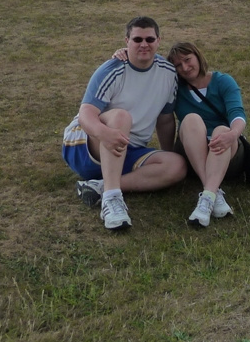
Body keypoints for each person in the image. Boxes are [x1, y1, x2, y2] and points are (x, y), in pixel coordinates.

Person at [61, 16, 187, 231]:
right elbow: (86, 114)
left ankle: (98, 186)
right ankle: (111, 200)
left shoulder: (168, 73)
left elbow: (165, 119)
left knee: (177, 165)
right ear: (126, 40)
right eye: (137, 39)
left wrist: (166, 154)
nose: (144, 44)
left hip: (129, 147)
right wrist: (103, 133)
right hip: (86, 144)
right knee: (121, 117)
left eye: (149, 39)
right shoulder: (112, 69)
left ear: (159, 40)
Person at [167, 42, 247, 228]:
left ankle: (206, 198)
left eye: (188, 60)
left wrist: (233, 134)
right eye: (178, 65)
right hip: (192, 148)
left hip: (225, 150)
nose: (185, 68)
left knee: (221, 130)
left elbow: (237, 113)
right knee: (191, 119)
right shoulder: (175, 88)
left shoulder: (223, 81)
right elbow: (148, 69)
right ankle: (212, 193)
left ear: (198, 56)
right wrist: (122, 53)